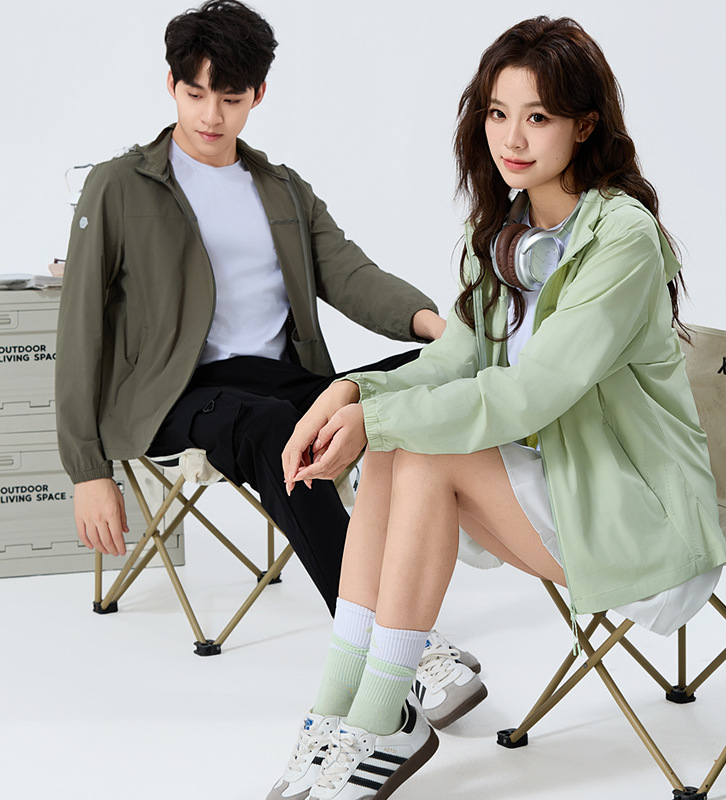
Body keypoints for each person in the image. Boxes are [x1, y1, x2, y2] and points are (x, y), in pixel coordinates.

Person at [271, 15, 726, 800]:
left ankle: (384, 716)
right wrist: (350, 392)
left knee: (418, 449)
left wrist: (375, 420)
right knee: (402, 443)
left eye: (538, 116)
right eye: (497, 112)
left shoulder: (621, 240)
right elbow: (452, 362)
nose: (511, 138)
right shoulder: (504, 233)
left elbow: (530, 394)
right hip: (553, 490)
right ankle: (341, 707)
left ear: (585, 125)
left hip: (640, 517)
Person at [55, 0, 489, 714]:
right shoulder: (119, 186)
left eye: (230, 98)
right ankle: (401, 649)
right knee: (276, 429)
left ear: (258, 94)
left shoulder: (281, 189)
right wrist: (87, 471)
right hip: (174, 396)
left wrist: (435, 330)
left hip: (282, 381)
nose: (211, 116)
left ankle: (447, 543)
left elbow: (349, 273)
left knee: (419, 383)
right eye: (195, 93)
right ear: (171, 85)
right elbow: (80, 329)